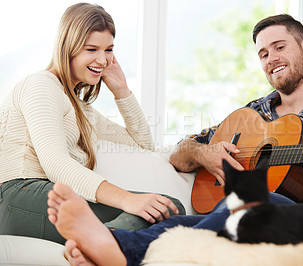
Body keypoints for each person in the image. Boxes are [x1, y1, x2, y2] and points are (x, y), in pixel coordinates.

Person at [47, 14, 303, 265]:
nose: (271, 58)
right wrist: (206, 154)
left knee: (251, 202)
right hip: (245, 217)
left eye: (279, 47)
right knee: (178, 220)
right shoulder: (254, 113)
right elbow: (180, 155)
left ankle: (116, 247)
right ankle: (110, 246)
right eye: (263, 53)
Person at [0, 2, 184, 245]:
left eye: (108, 50)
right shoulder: (41, 85)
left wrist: (122, 91)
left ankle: (96, 248)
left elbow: (142, 144)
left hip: (50, 196)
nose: (102, 59)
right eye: (91, 49)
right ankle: (97, 246)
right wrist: (127, 199)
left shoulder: (82, 109)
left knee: (168, 208)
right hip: (18, 197)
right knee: (162, 208)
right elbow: (55, 164)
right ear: (69, 47)